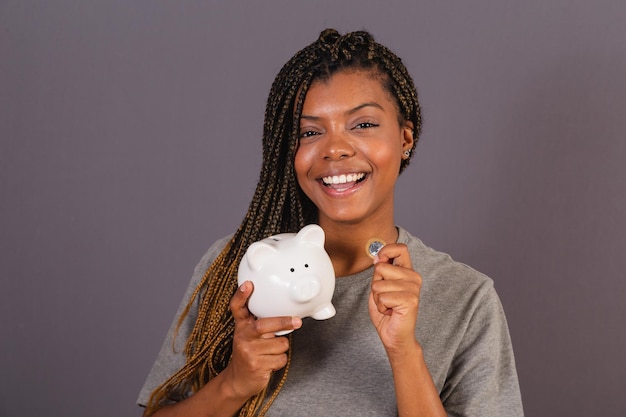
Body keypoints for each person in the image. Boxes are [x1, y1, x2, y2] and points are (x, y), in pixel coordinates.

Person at [137, 29, 524, 417]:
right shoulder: (237, 270)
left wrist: (403, 352)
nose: (335, 148)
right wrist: (234, 384)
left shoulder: (466, 299)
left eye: (363, 124)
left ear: (406, 136)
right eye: (310, 132)